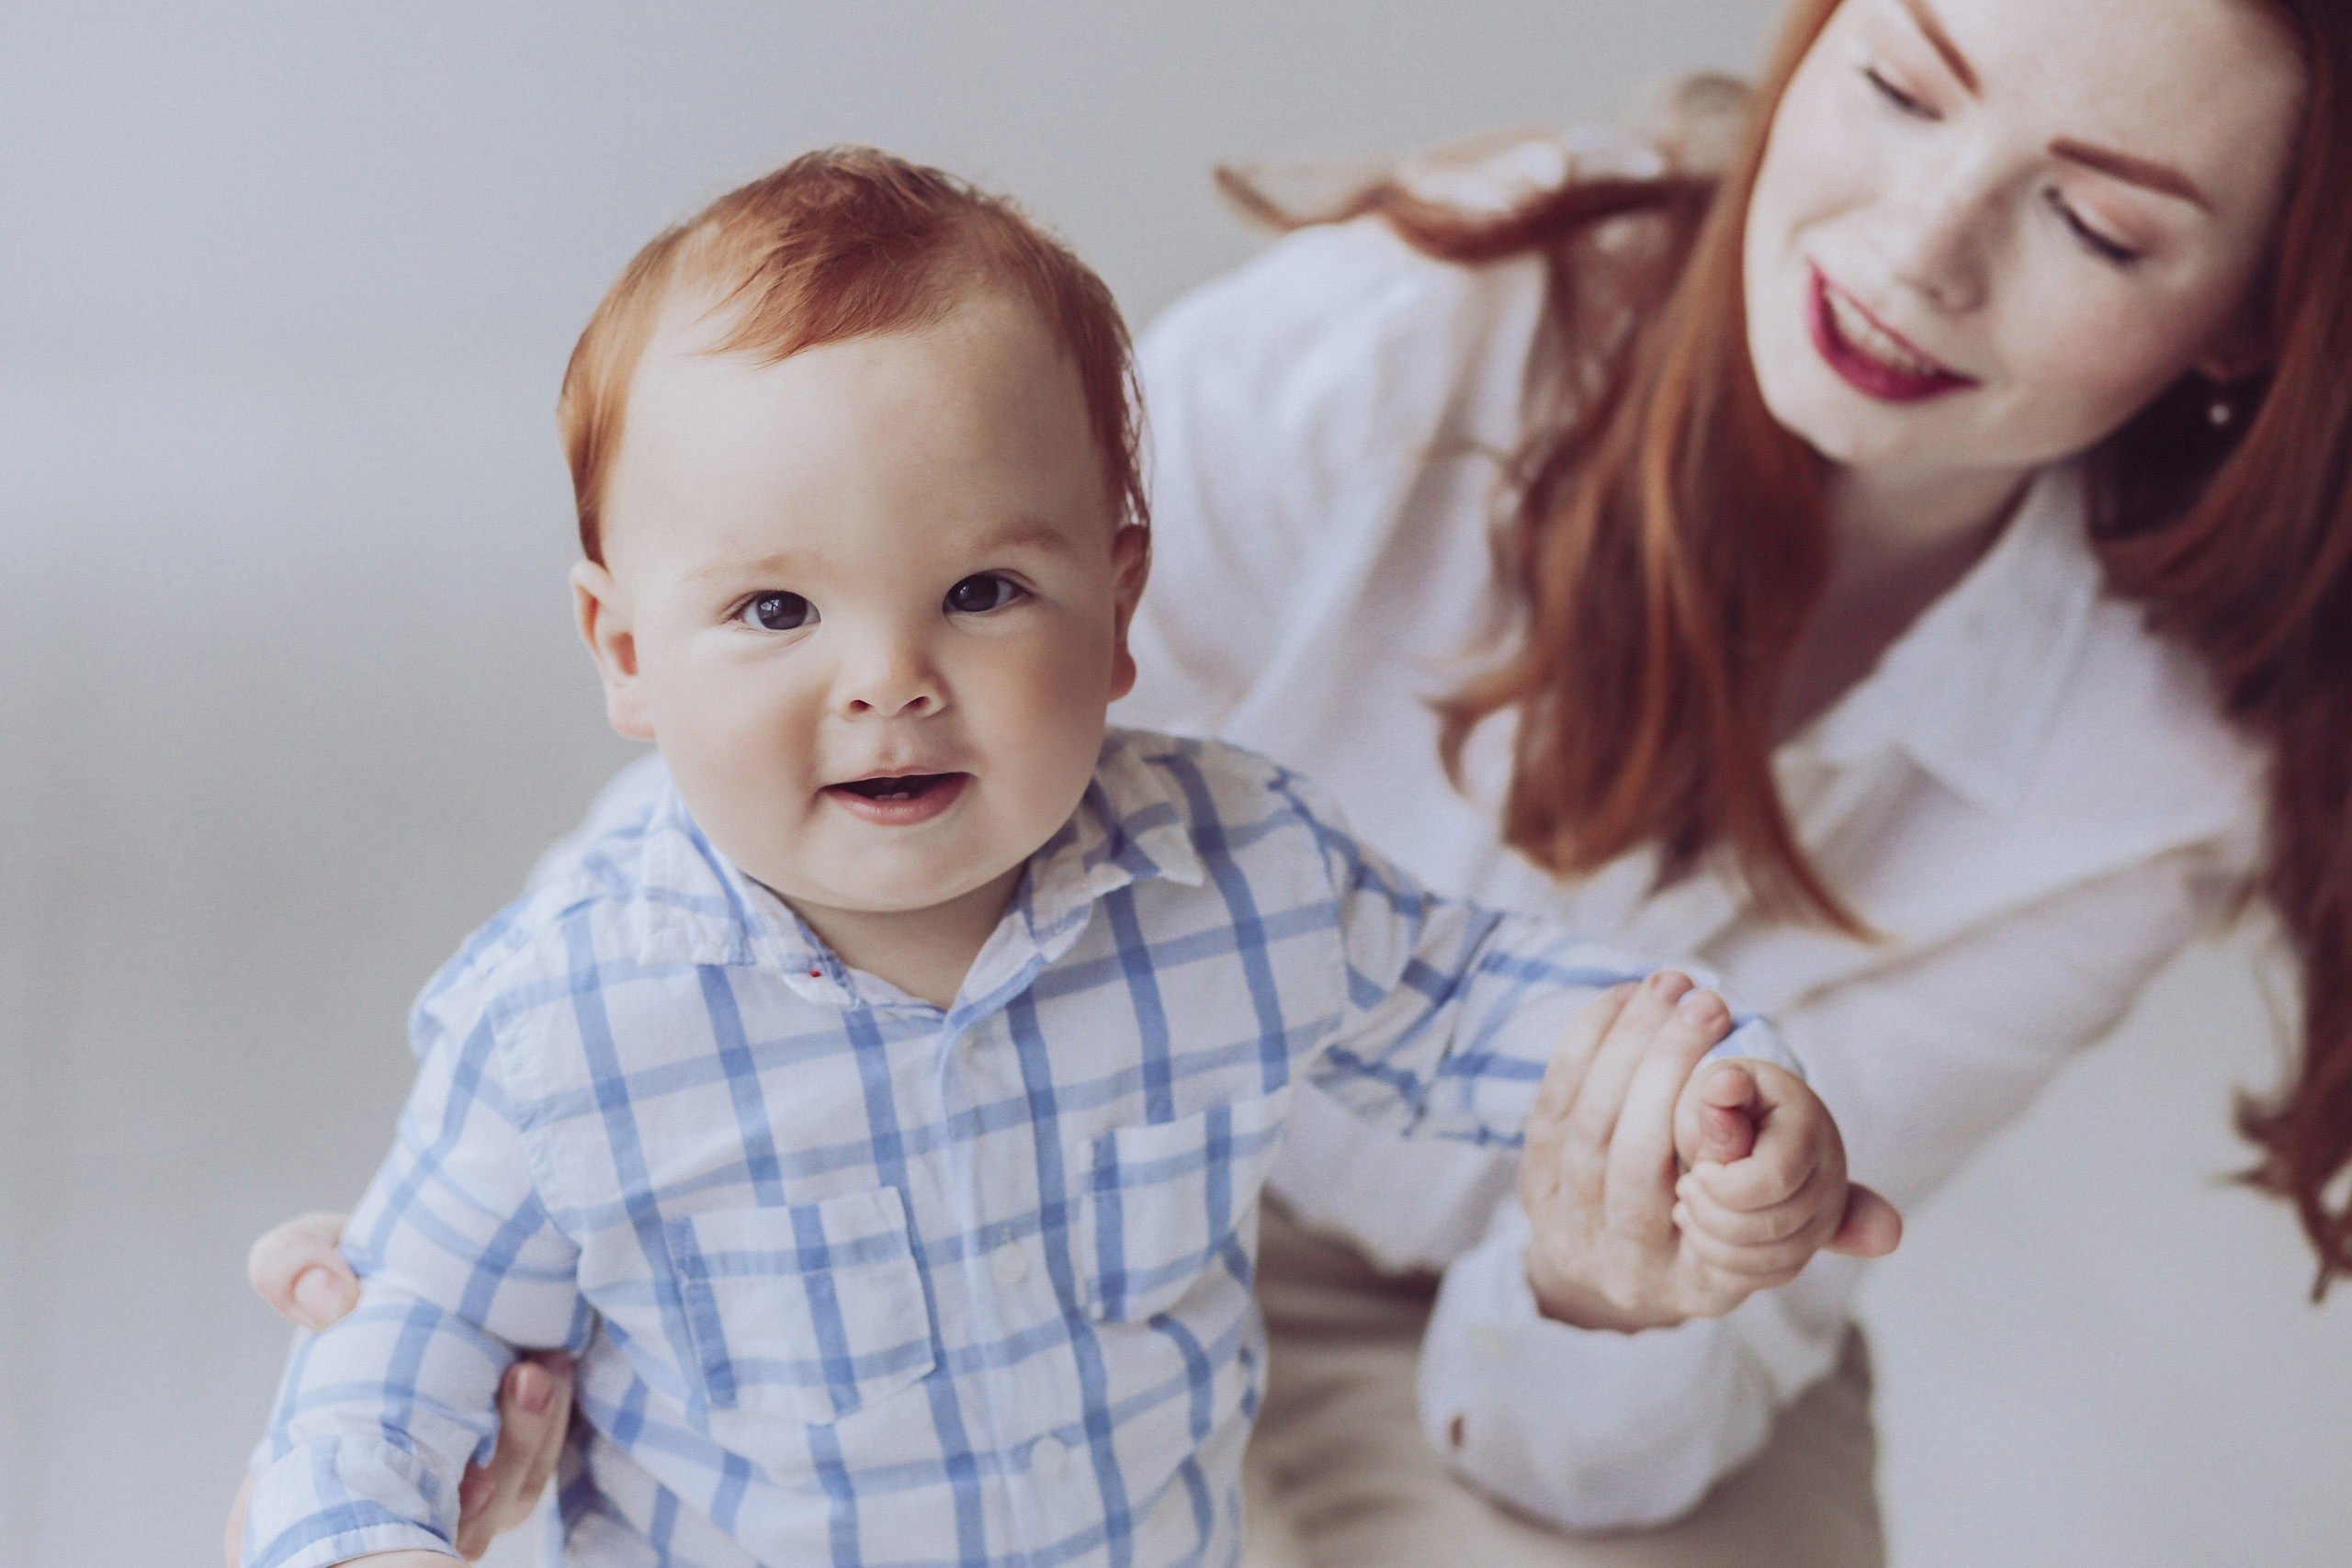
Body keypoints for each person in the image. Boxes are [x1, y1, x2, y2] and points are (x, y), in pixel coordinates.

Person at [251, 0, 2352, 1559]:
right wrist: (443, 1335)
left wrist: (1687, 1176)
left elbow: (1472, 1000)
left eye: (2091, 219)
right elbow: (776, 736)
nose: (1916, 244)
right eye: (1895, 84)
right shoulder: (1412, 341)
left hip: (1415, 1288)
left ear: (2252, 316)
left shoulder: (1240, 876)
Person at [228, 146, 1894, 1568]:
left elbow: (1482, 1009)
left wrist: (1707, 1094)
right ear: (625, 653)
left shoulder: (1235, 878)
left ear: (1118, 611)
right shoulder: (566, 1032)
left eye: (982, 592)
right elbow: (380, 1383)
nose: (888, 678)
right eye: (776, 610)